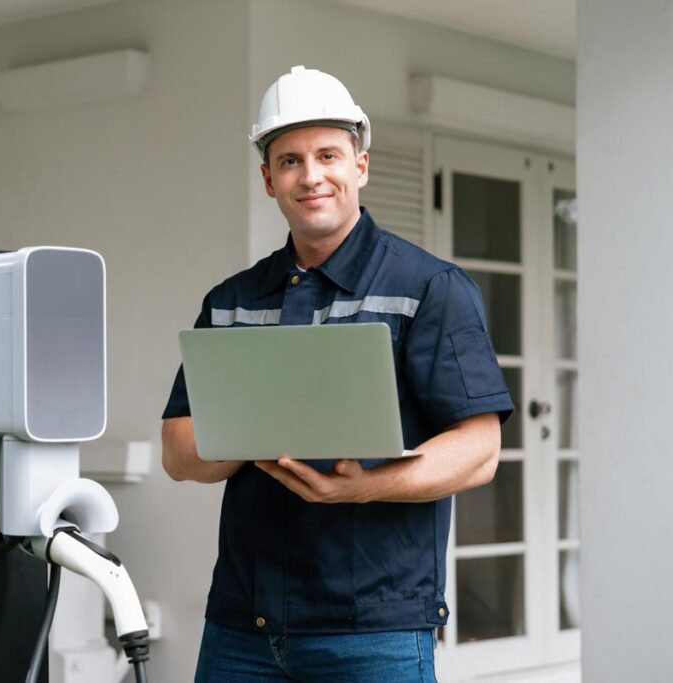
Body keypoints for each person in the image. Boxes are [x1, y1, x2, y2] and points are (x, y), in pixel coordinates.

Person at [161, 65, 514, 682]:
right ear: (269, 179)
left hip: (374, 632)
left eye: (328, 154)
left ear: (361, 166)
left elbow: (479, 451)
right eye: (290, 160)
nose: (311, 175)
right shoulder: (232, 300)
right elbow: (178, 451)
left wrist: (364, 486)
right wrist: (252, 429)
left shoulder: (429, 289)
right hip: (243, 629)